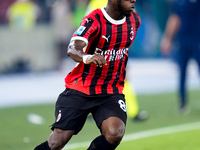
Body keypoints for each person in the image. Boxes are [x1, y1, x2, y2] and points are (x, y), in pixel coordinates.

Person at [35, 0, 141, 149]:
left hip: (110, 91)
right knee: (56, 142)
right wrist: (87, 57)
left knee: (115, 132)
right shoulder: (94, 19)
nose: (133, 0)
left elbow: (121, 52)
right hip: (81, 88)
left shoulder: (134, 20)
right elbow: (72, 48)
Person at [86, 0, 148, 122]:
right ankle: (133, 111)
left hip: (108, 47)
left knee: (96, 78)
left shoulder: (96, 3)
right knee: (122, 79)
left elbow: (87, 23)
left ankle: (89, 110)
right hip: (112, 48)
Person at [160, 0, 200, 113]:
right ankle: (182, 102)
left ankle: (183, 103)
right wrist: (168, 39)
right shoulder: (180, 3)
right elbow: (174, 20)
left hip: (197, 40)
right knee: (182, 72)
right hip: (183, 41)